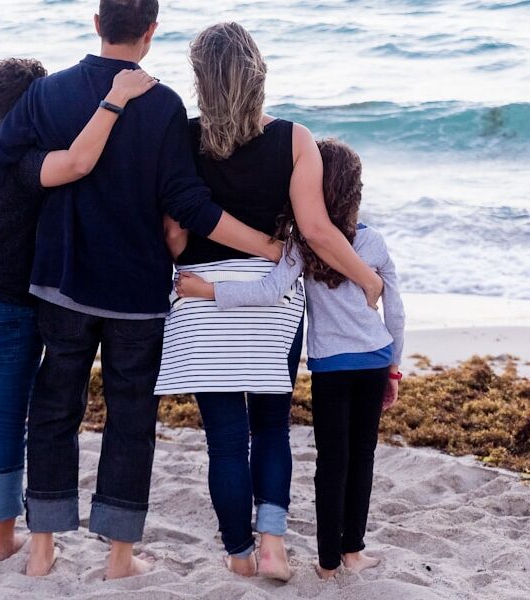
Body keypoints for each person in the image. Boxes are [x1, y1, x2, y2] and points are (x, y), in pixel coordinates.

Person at [0, 0, 289, 580]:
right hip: (136, 294)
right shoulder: (164, 104)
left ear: (97, 23)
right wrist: (266, 246)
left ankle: (42, 549)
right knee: (130, 421)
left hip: (61, 283)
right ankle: (119, 559)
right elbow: (187, 204)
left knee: (53, 411)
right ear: (151, 31)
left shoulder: (47, 93)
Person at [154, 23, 384, 581]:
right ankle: (274, 544)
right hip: (272, 301)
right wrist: (366, 280)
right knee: (272, 427)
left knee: (226, 441)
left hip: (203, 300)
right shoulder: (295, 139)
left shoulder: (182, 138)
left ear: (201, 80)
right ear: (258, 73)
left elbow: (174, 238)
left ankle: (239, 554)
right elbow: (317, 230)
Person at [0, 58, 157, 561]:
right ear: (36, 107)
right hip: (8, 313)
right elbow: (78, 162)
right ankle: (4, 540)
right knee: (6, 423)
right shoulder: (28, 165)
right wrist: (115, 100)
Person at [176, 138, 406, 580]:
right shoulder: (372, 242)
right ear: (355, 191)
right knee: (363, 457)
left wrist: (207, 290)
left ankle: (326, 564)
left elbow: (268, 291)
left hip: (330, 368)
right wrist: (394, 366)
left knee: (331, 461)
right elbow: (394, 311)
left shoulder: (302, 245)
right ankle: (353, 551)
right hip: (375, 360)